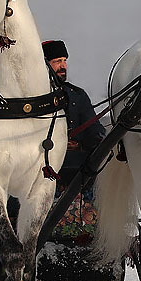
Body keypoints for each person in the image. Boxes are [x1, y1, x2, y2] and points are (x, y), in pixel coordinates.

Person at [42, 40, 105, 183]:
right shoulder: (33, 97)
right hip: (42, 167)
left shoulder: (77, 95)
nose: (63, 66)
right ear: (45, 64)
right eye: (58, 61)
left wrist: (82, 144)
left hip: (76, 169)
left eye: (64, 61)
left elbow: (95, 130)